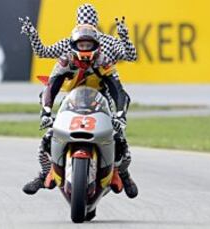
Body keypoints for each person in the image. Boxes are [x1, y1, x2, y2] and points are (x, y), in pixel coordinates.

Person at [19, 4, 138, 198]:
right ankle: (45, 173)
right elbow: (51, 83)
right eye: (83, 23)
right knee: (50, 135)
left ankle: (121, 173)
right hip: (73, 99)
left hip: (101, 98)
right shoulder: (67, 50)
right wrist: (46, 112)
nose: (86, 29)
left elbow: (120, 87)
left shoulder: (105, 52)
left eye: (89, 23)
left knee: (119, 137)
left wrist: (120, 115)